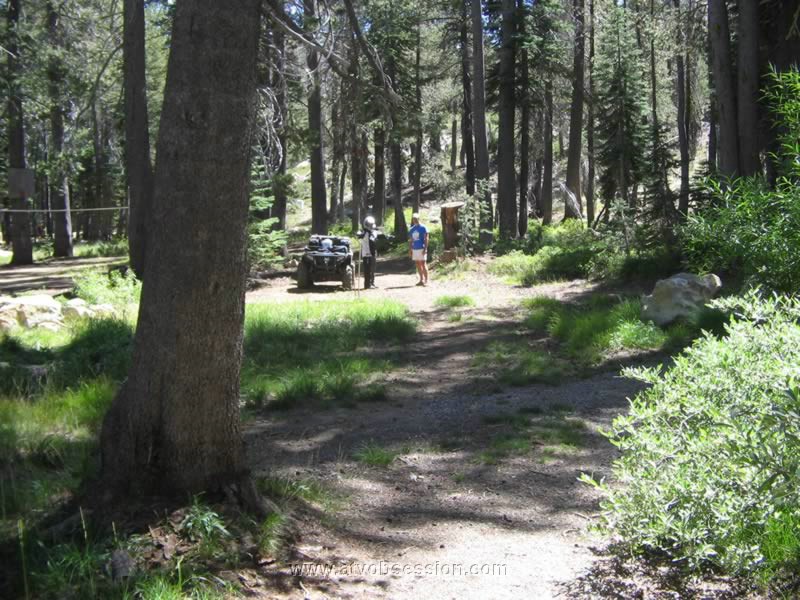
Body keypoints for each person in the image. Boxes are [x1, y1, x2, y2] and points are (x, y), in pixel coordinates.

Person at [357, 216, 378, 289]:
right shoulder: (364, 233)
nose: (371, 226)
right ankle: (367, 284)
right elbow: (359, 235)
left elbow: (373, 240)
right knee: (367, 269)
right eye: (369, 225)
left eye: (371, 225)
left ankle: (371, 283)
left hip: (371, 253)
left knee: (371, 269)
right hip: (367, 253)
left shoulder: (372, 233)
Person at [408, 213, 429, 286]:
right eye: (414, 219)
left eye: (416, 219)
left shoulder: (423, 228)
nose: (415, 220)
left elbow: (426, 239)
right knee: (417, 264)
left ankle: (426, 280)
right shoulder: (412, 229)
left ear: (419, 219)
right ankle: (421, 280)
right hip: (415, 249)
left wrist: (425, 248)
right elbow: (411, 240)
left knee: (423, 264)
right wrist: (410, 250)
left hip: (421, 248)